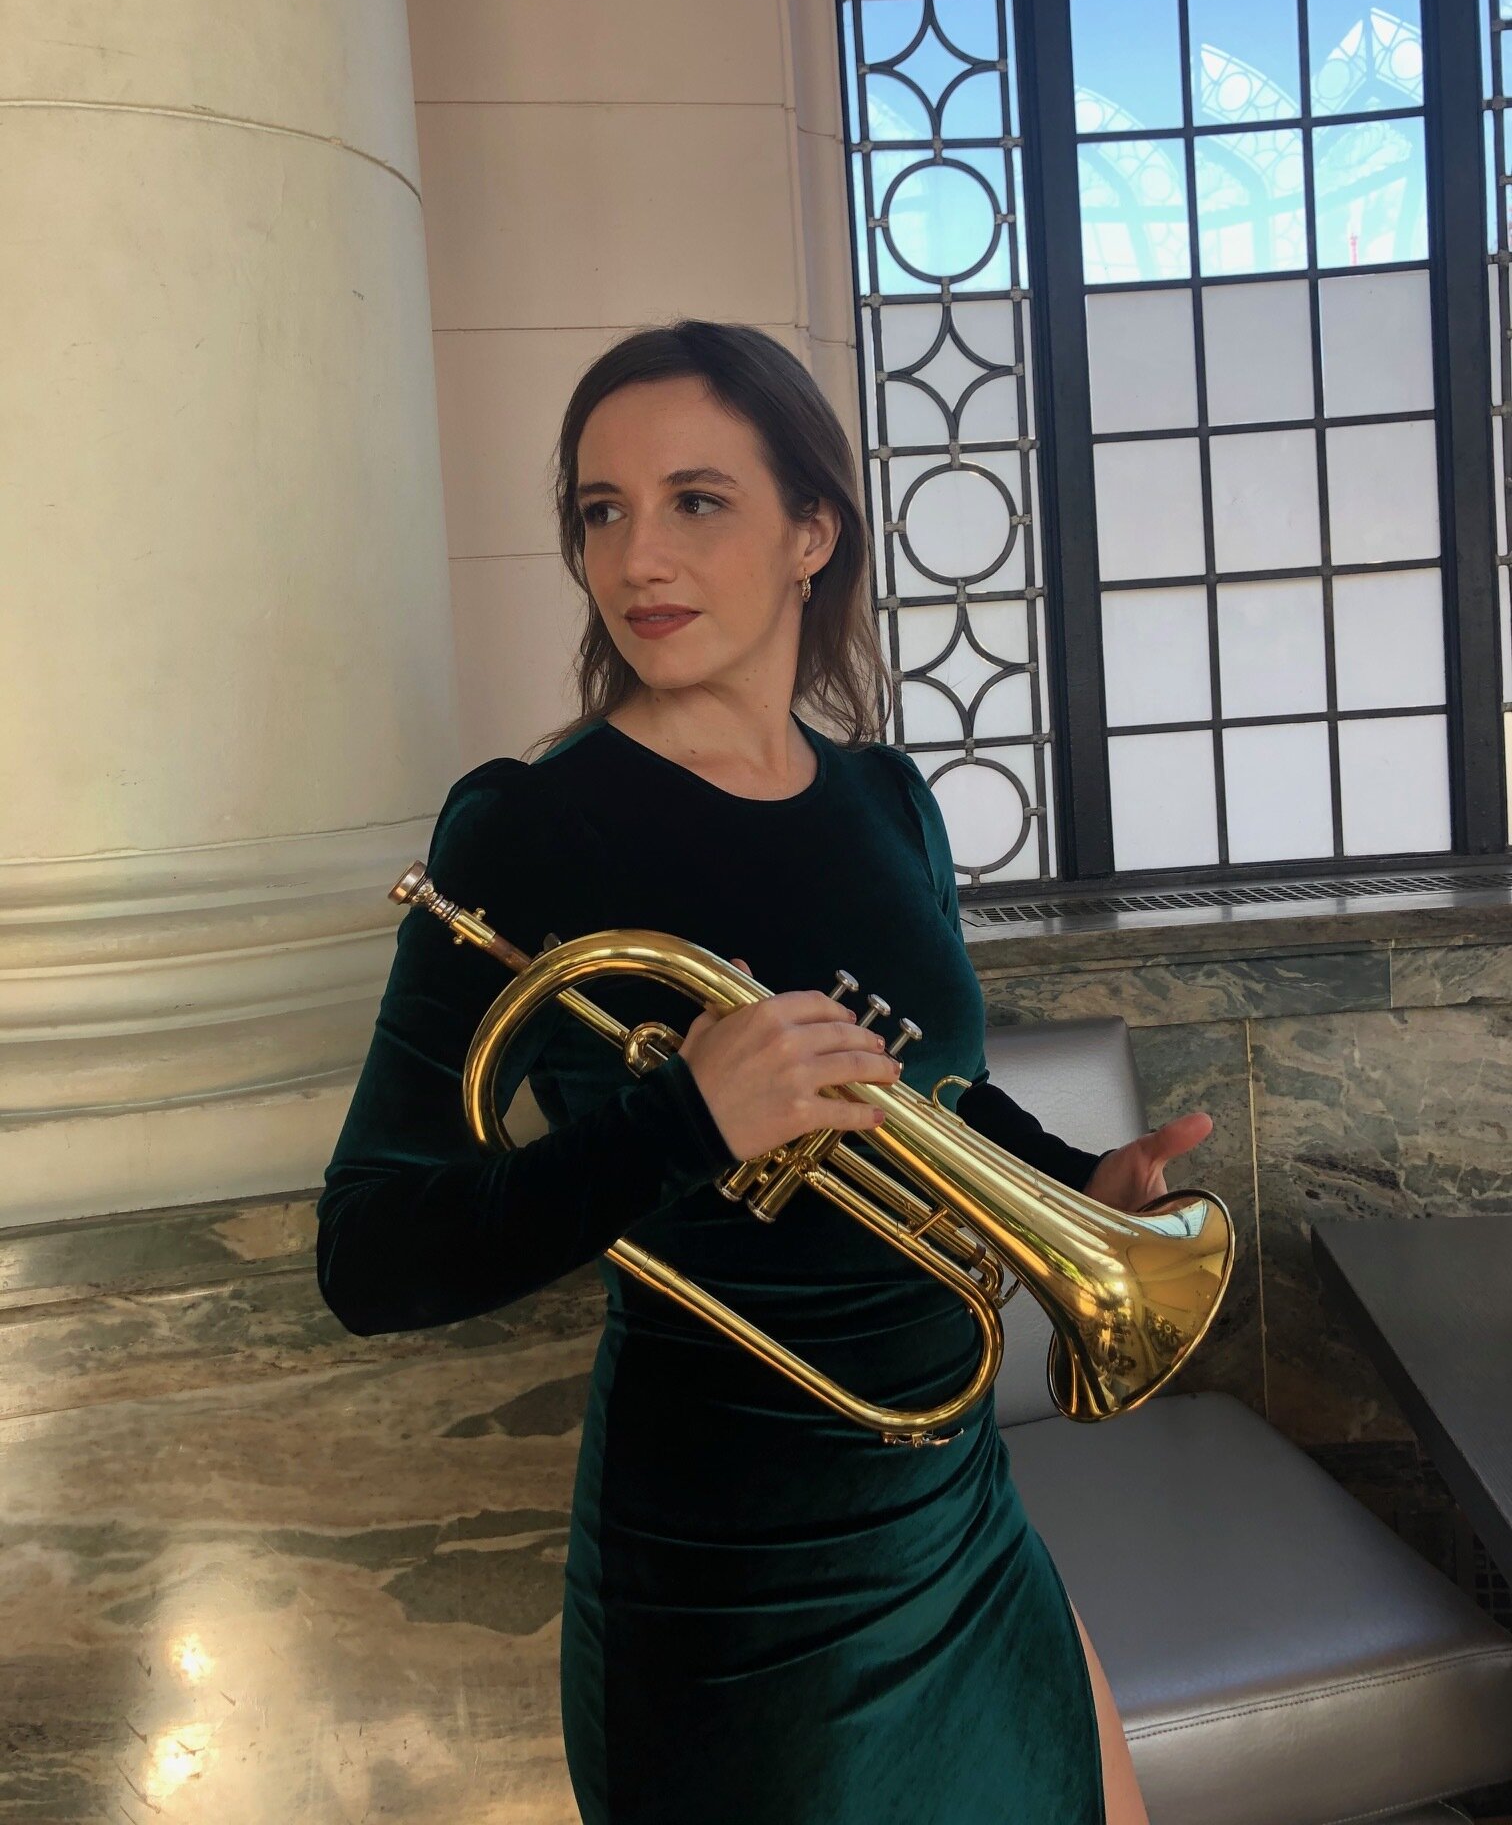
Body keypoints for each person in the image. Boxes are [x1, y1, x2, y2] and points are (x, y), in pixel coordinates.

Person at [315, 320, 1213, 1825]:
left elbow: (923, 1094)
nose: (637, 557)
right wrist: (685, 1119)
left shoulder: (888, 799)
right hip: (729, 1591)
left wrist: (1082, 1183)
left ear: (813, 531)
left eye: (696, 501)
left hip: (951, 1508)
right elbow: (369, 1253)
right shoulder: (527, 830)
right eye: (602, 511)